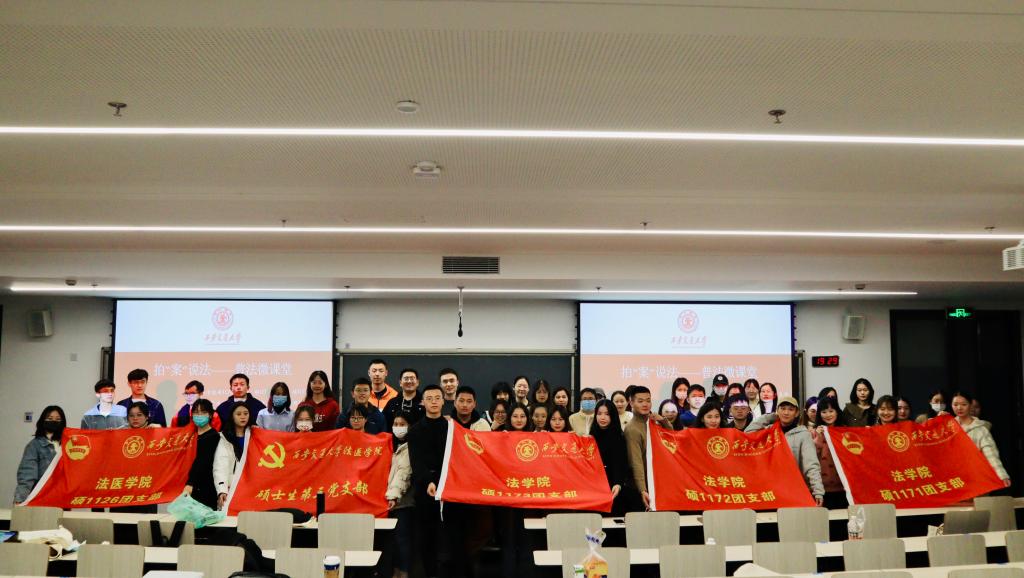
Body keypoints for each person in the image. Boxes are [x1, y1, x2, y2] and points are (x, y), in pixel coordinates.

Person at [745, 396, 824, 506]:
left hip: (793, 491)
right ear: (777, 410)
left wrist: (818, 491)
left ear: (796, 413)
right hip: (770, 491)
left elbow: (811, 464)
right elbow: (748, 434)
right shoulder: (770, 430)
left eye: (791, 409)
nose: (786, 412)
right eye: (782, 409)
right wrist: (771, 417)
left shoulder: (803, 435)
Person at [408, 385, 448, 578]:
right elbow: (416, 462)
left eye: (437, 398)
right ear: (423, 402)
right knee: (426, 534)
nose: (433, 402)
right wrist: (429, 482)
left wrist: (443, 481)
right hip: (425, 488)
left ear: (443, 401)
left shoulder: (451, 428)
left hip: (448, 486)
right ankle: (430, 572)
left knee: (447, 534)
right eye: (429, 398)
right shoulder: (415, 430)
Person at [624, 386, 673, 510]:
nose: (645, 404)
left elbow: (672, 438)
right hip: (644, 486)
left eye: (648, 400)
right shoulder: (632, 429)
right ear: (631, 403)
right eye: (640, 401)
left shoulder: (654, 421)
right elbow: (636, 462)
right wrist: (643, 489)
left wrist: (663, 420)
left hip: (659, 481)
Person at [951, 392, 1010, 487]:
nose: (959, 408)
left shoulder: (980, 429)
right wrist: (938, 420)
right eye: (955, 404)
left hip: (975, 477)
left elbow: (991, 454)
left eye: (964, 404)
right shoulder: (948, 426)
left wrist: (1002, 475)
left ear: (970, 405)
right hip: (953, 479)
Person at [14, 406, 66, 504]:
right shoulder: (34, 446)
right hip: (42, 498)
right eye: (50, 418)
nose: (54, 421)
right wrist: (20, 499)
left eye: (58, 419)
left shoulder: (68, 445)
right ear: (43, 420)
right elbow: (27, 475)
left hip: (63, 499)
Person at [386, 412, 415, 578]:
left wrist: (394, 495)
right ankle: (395, 571)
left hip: (403, 501)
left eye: (402, 424)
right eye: (395, 424)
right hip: (389, 500)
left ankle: (403, 572)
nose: (398, 427)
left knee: (402, 539)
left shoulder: (411, 447)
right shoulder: (389, 444)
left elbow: (404, 473)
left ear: (409, 426)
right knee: (393, 540)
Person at [589, 399, 627, 515]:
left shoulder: (619, 437)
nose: (602, 417)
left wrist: (618, 483)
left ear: (613, 416)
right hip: (594, 486)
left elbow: (621, 463)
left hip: (612, 485)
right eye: (599, 414)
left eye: (607, 414)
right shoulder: (591, 436)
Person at [809, 396, 847, 509]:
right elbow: (811, 457)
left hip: (843, 487)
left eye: (831, 411)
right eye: (824, 412)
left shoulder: (845, 431)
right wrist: (819, 437)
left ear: (837, 412)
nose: (828, 415)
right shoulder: (813, 432)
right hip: (821, 488)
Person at [183, 399, 221, 510]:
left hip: (205, 486)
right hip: (187, 485)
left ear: (210, 415)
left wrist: (190, 483)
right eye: (196, 412)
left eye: (203, 412)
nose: (199, 415)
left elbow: (202, 462)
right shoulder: (189, 435)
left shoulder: (213, 436)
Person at [213, 402, 252, 509]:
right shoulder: (224, 437)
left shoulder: (255, 435)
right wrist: (222, 490)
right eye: (238, 414)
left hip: (251, 489)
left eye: (246, 413)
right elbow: (220, 466)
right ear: (232, 416)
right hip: (231, 489)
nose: (243, 417)